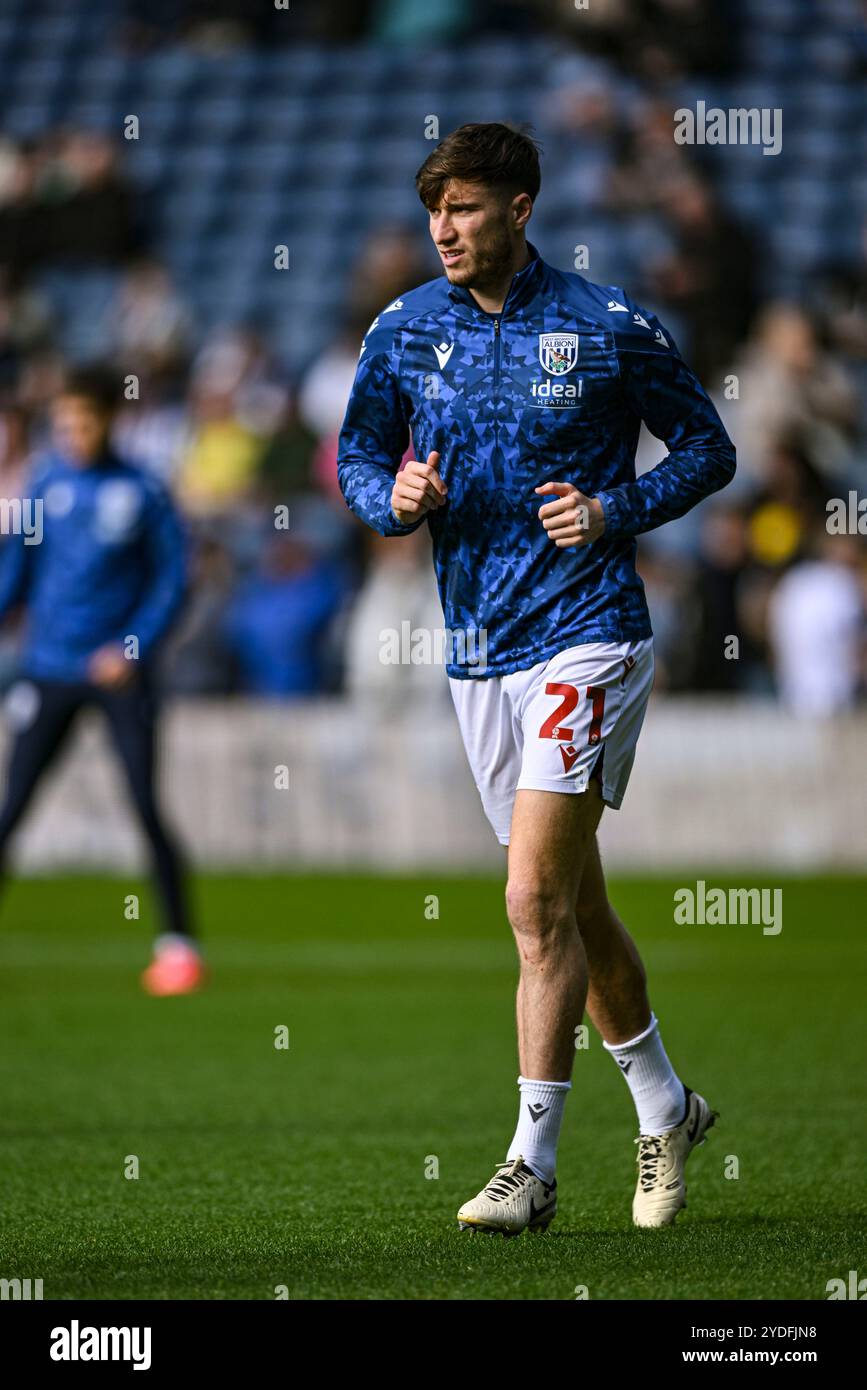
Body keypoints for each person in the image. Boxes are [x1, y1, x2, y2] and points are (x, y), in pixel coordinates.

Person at [338, 123, 736, 1234]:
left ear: (520, 208)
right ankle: (666, 1106)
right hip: (477, 649)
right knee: (571, 906)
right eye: (435, 210)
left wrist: (617, 510)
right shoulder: (405, 330)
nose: (444, 230)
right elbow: (359, 454)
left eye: (465, 208)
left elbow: (708, 448)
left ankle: (532, 1163)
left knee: (527, 902)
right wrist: (393, 499)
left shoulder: (606, 327)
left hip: (591, 632)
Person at [0, 366, 203, 996]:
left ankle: (179, 946)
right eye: (64, 423)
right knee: (12, 809)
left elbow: (172, 580)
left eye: (84, 422)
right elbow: (17, 572)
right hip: (49, 668)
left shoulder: (142, 489)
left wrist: (132, 649)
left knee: (144, 803)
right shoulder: (45, 482)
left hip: (119, 674)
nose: (73, 433)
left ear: (112, 419)